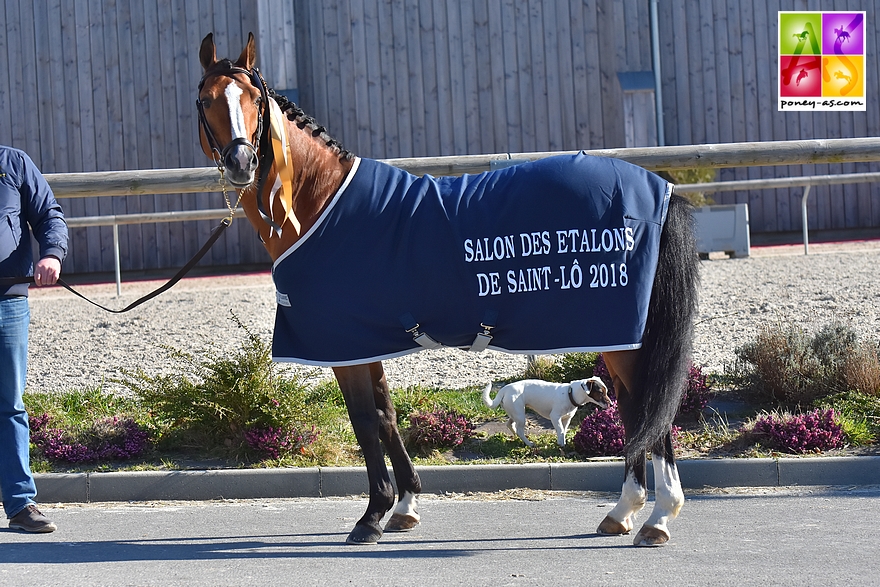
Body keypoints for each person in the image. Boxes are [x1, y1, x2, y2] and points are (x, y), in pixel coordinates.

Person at [0, 145, 68, 533]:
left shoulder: (13, 163)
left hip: (7, 302)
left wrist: (53, 255)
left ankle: (21, 504)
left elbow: (48, 216)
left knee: (9, 405)